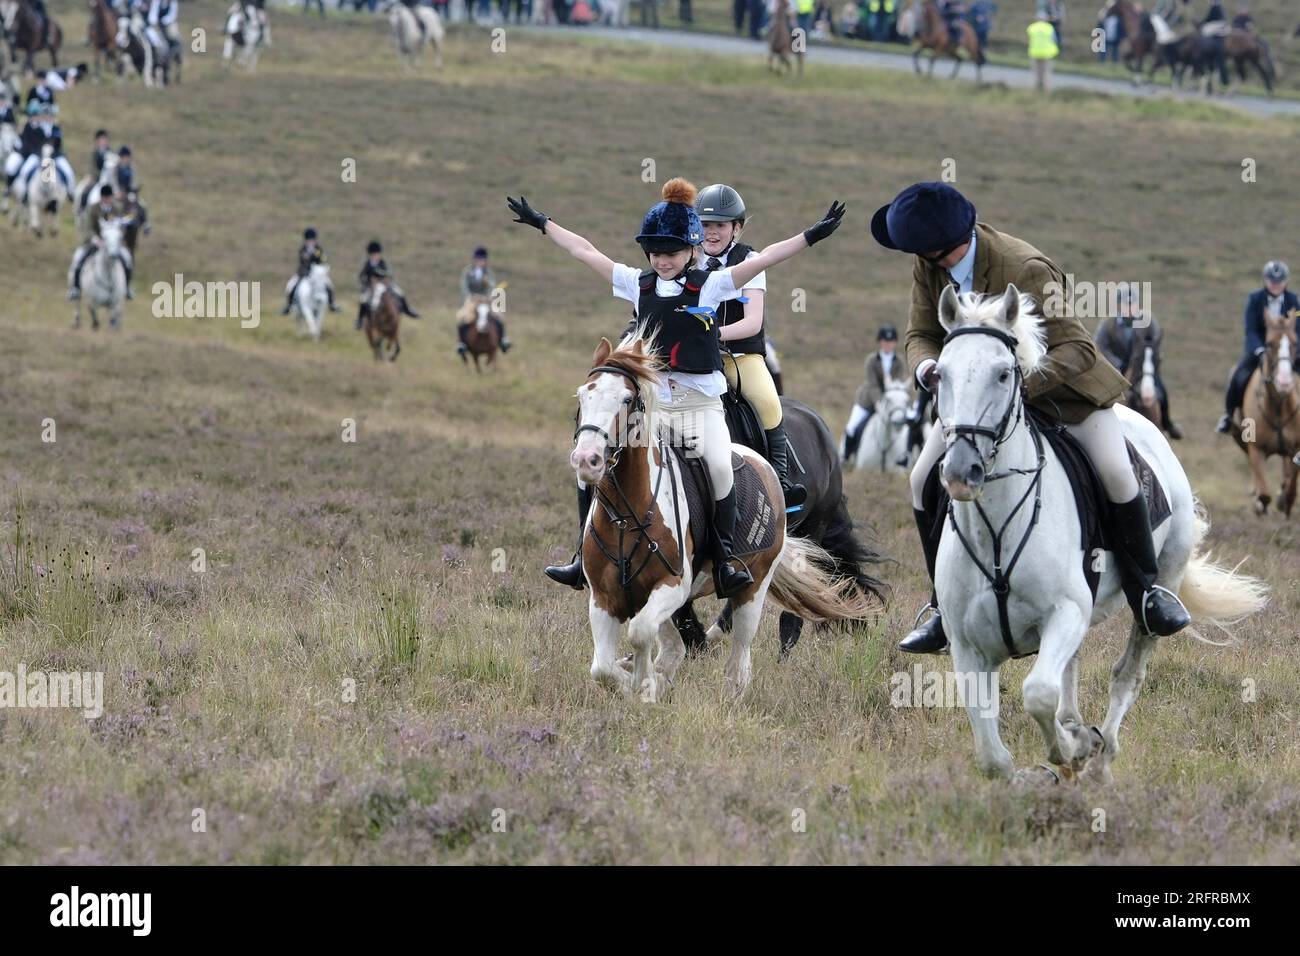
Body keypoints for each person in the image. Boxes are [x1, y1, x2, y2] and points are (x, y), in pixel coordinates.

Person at [871, 182, 1190, 655]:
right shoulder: (928, 264)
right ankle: (941, 606)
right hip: (981, 403)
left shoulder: (1026, 268)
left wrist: (1019, 386)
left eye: (915, 247)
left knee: (1117, 473)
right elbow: (920, 332)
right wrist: (926, 367)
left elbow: (1078, 348)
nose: (910, 255)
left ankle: (1147, 592)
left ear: (940, 244)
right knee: (921, 478)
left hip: (1065, 394)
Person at [510, 178, 845, 595]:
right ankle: (582, 556)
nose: (662, 260)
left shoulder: (711, 284)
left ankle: (725, 561)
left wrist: (812, 235)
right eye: (655, 253)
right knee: (589, 464)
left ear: (690, 252)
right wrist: (543, 223)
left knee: (722, 467)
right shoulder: (637, 283)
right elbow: (586, 251)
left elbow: (767, 260)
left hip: (700, 406)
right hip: (656, 409)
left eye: (670, 253)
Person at [695, 183, 806, 507]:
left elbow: (752, 322)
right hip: (694, 358)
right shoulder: (689, 261)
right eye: (705, 225)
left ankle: (783, 486)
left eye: (719, 225)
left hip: (739, 357)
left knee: (768, 401)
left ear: (737, 228)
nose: (711, 233)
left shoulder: (750, 260)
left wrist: (712, 334)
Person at [1217, 261, 1298, 434]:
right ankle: (1228, 415)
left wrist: (1295, 349)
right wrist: (1260, 349)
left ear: (1286, 281)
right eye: (1272, 281)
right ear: (1265, 280)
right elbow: (1251, 329)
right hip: (1260, 349)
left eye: (1279, 281)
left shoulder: (1295, 302)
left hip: (1288, 350)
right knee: (1238, 376)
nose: (1275, 285)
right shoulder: (1255, 300)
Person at [1093, 283, 1181, 438]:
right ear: (1119, 304)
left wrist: (1152, 360)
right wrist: (1116, 364)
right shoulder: (1108, 324)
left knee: (1161, 391)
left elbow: (1155, 342)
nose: (1130, 307)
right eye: (1126, 304)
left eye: (1133, 303)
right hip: (1116, 370)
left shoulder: (1148, 320)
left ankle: (1167, 423)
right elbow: (1099, 346)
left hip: (1142, 370)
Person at [842, 324, 910, 463]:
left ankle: (905, 457)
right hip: (868, 401)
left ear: (895, 343)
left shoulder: (899, 362)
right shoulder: (871, 360)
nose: (888, 344)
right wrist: (879, 402)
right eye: (885, 341)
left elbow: (897, 385)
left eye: (891, 341)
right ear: (880, 342)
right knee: (852, 426)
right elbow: (872, 385)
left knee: (908, 426)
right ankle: (847, 456)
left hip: (892, 402)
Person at [68, 183, 134, 300]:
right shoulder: (93, 208)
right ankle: (76, 288)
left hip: (112, 243)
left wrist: (116, 237)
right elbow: (88, 226)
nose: (108, 200)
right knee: (79, 259)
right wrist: (95, 239)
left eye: (109, 198)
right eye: (106, 198)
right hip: (95, 242)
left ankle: (127, 288)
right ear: (102, 197)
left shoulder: (117, 208)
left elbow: (121, 226)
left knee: (126, 259)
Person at [457, 246, 511, 355]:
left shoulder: (488, 272)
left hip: (486, 300)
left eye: (482, 260)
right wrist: (470, 298)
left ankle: (503, 340)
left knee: (499, 316)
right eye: (478, 260)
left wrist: (488, 289)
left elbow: (492, 287)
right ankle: (461, 343)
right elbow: (464, 287)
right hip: (472, 300)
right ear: (474, 260)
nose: (480, 262)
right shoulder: (468, 272)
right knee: (462, 317)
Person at [356, 240, 420, 329]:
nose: (376, 256)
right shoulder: (367, 264)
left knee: (400, 292)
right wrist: (367, 282)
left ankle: (408, 310)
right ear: (370, 254)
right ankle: (360, 320)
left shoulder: (383, 263)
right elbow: (362, 276)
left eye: (377, 254)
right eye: (374, 254)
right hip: (371, 287)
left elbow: (389, 273)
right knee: (363, 299)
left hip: (385, 285)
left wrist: (384, 277)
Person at [280, 228, 341, 315]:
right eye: (309, 240)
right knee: (291, 285)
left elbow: (323, 259)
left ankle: (332, 304)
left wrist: (319, 261)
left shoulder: (318, 249)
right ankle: (289, 305)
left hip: (317, 274)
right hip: (303, 273)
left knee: (329, 285)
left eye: (313, 240)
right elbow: (303, 261)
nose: (311, 241)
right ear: (306, 240)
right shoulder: (303, 249)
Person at [1199, 0, 1230, 90]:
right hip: (1222, 24)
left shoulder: (1214, 7)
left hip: (1217, 25)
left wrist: (1202, 22)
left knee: (1204, 31)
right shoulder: (1219, 6)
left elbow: (1209, 18)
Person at [1027, 11, 1060, 92]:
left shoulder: (1032, 27)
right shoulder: (1049, 28)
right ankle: (1046, 90)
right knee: (1046, 73)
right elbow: (1055, 40)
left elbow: (1029, 39)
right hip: (1047, 53)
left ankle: (1036, 89)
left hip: (1034, 52)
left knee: (1036, 73)